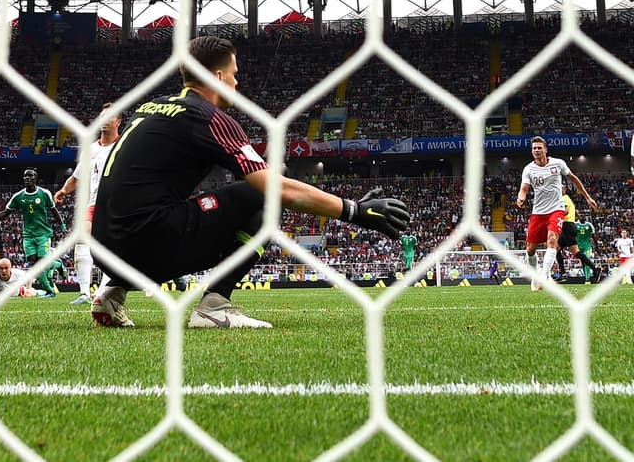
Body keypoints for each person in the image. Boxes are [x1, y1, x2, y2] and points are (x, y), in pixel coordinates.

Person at [89, 35, 410, 329]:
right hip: (146, 247)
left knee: (164, 203)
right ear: (217, 77)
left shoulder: (149, 108)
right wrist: (355, 211)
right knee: (260, 198)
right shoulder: (209, 117)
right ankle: (214, 307)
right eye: (234, 73)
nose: (237, 82)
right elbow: (278, 187)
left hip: (103, 251)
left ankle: (112, 292)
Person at [55, 102, 121, 304]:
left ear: (118, 121)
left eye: (109, 116)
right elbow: (77, 177)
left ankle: (103, 290)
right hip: (94, 203)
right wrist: (64, 191)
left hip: (118, 204)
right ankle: (84, 292)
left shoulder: (124, 146)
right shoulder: (90, 149)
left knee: (113, 248)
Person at [516, 136, 597, 291]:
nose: (537, 150)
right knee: (530, 249)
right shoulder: (529, 169)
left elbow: (573, 179)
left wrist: (587, 197)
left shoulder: (558, 164)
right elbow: (524, 188)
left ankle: (544, 277)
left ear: (546, 149)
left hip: (556, 209)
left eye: (539, 148)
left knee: (552, 240)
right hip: (538, 212)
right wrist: (521, 197)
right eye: (534, 148)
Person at [0, 168, 66, 297]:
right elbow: (6, 213)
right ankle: (57, 264)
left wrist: (62, 225)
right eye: (25, 176)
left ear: (36, 178)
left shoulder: (44, 193)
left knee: (41, 264)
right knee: (33, 263)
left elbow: (53, 210)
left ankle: (50, 291)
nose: (27, 178)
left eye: (30, 176)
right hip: (28, 235)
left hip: (43, 234)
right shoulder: (18, 197)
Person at [555, 194, 602, 283]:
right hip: (567, 227)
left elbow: (566, 211)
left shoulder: (564, 198)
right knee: (556, 249)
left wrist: (555, 216)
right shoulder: (566, 199)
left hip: (567, 226)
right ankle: (563, 273)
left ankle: (595, 269)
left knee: (576, 252)